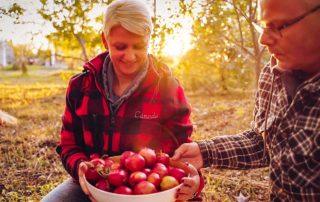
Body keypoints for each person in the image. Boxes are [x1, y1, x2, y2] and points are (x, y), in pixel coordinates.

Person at [42, 0, 202, 201]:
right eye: (120, 46)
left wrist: (194, 185)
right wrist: (80, 166)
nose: (130, 55)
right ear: (105, 40)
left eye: (139, 45)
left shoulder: (166, 88)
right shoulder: (80, 87)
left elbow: (183, 152)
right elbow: (68, 144)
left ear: (149, 40)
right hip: (96, 185)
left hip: (150, 191)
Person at [173, 0, 320, 201]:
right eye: (264, 25)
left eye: (280, 26)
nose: (263, 39)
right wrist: (205, 151)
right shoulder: (272, 72)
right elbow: (263, 144)